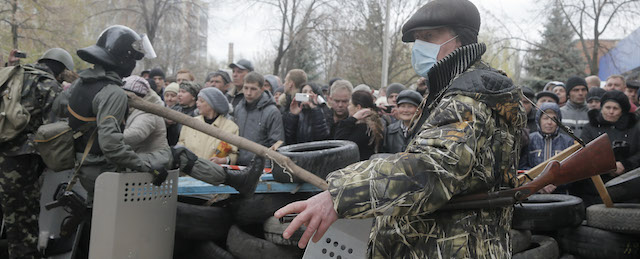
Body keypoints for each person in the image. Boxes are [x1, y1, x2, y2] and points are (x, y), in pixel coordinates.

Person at [274, 1, 525, 258]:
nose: (419, 47)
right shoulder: (446, 91)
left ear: (461, 40)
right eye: (417, 39)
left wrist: (341, 195)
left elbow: (430, 170)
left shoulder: (469, 97)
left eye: (429, 37)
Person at [66, 25, 161, 199]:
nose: (134, 65)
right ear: (125, 60)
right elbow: (111, 145)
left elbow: (59, 109)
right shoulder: (113, 92)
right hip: (101, 171)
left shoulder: (79, 83)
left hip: (79, 164)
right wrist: (146, 168)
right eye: (134, 60)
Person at [0, 47, 72, 259]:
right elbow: (55, 131)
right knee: (22, 219)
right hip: (20, 162)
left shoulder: (12, 74)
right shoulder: (49, 85)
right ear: (61, 71)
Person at [575, 90, 640, 205]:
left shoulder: (634, 128)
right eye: (607, 107)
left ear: (623, 111)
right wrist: (607, 167)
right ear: (601, 108)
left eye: (615, 108)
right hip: (595, 188)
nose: (611, 112)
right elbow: (584, 154)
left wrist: (625, 164)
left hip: (628, 188)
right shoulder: (590, 128)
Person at [519, 102, 575, 193]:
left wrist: (555, 183)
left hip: (561, 194)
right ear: (539, 120)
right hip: (533, 193)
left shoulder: (568, 142)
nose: (549, 122)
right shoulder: (529, 140)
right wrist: (538, 183)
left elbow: (571, 170)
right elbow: (523, 167)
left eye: (553, 119)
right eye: (545, 118)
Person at [178, 87, 239, 164]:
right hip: (188, 172)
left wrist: (223, 160)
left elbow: (234, 154)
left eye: (201, 101)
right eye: (197, 100)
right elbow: (180, 146)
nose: (197, 103)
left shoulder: (230, 127)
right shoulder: (190, 123)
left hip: (213, 172)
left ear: (212, 105)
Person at [234, 71, 284, 166]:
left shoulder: (272, 112)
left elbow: (277, 143)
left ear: (262, 89)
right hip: (238, 165)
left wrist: (268, 166)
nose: (248, 93)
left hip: (261, 167)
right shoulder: (238, 109)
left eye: (253, 89)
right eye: (246, 88)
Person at [122, 75, 171, 167]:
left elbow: (136, 134)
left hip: (153, 162)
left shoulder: (149, 112)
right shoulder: (133, 110)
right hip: (144, 161)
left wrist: (109, 138)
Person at [334, 90, 383, 161]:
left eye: (350, 104)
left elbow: (340, 144)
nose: (348, 107)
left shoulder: (363, 128)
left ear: (358, 107)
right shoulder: (375, 123)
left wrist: (352, 119)